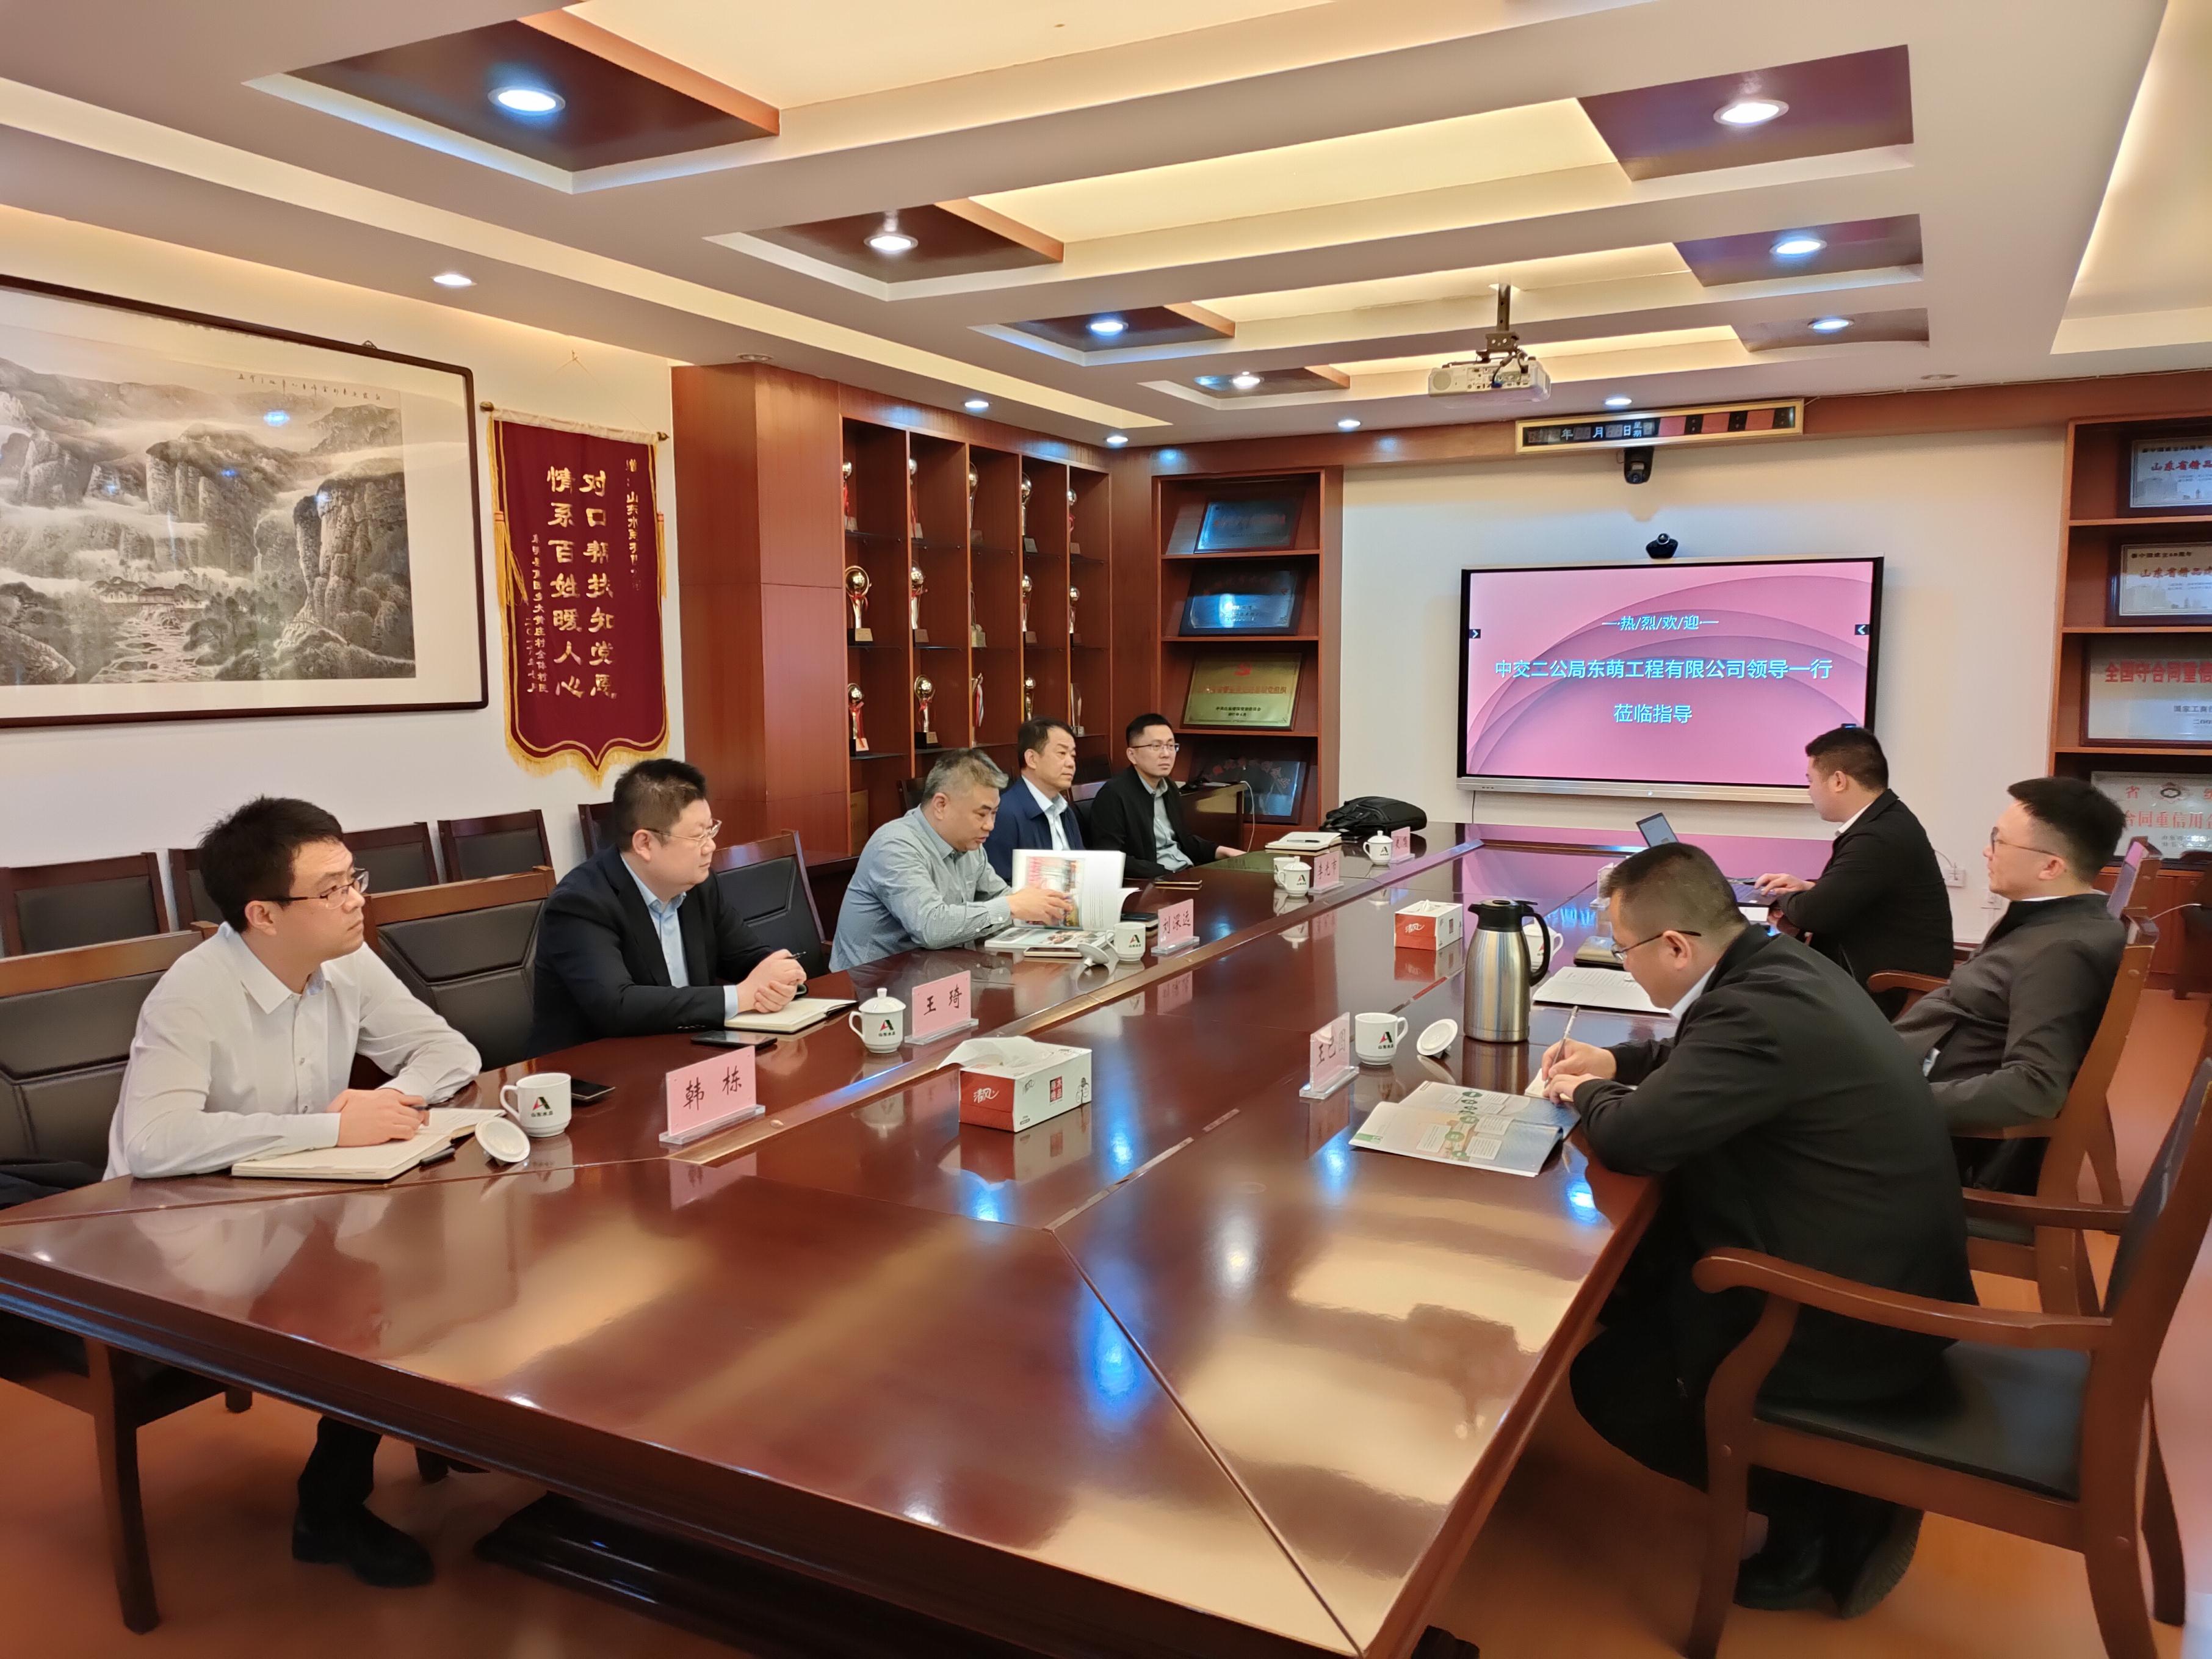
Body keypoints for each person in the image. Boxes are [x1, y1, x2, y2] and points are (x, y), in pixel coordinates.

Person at [1536, 841, 1973, 1620]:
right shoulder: (1777, 965)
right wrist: (1617, 1060)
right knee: (1641, 1277)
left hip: (1853, 1315)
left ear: (1676, 946)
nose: (1625, 965)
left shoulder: (1752, 1011)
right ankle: (1821, 1486)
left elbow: (1635, 1140)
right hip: (1885, 1259)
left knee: (1609, 1385)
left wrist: (1588, 1093)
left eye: (1625, 950)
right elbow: (1698, 1056)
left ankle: (1830, 1502)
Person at [107, 797, 484, 1589]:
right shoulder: (193, 993)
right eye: (333, 888)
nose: (356, 901)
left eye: (355, 879)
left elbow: (449, 1052)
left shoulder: (344, 959)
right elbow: (154, 1142)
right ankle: (328, 1510)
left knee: (436, 1255)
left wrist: (394, 1099)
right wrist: (328, 1128)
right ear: (264, 914)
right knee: (364, 1304)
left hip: (292, 1207)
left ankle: (447, 1420)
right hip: (175, 1237)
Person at [1894, 778, 2127, 1184]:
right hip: (1901, 1074)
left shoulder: (2063, 952)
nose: (1988, 851)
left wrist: (1890, 1101)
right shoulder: (2048, 920)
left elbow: (2035, 1087)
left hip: (1914, 1127)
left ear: (2051, 866)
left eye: (1999, 841)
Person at [531, 759, 808, 1052]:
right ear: (645, 844)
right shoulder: (581, 904)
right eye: (697, 836)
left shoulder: (699, 885)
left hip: (687, 1053)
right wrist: (739, 997)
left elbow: (746, 956)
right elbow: (618, 1006)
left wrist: (779, 977)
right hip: (595, 1068)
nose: (710, 846)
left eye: (710, 830)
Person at [1754, 727, 1953, 1012]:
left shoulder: (1878, 836)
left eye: (1811, 781)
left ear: (1838, 781)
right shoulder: (1888, 819)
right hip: (1873, 969)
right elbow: (1860, 891)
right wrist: (1809, 889)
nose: (1809, 791)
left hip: (1885, 988)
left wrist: (1781, 896)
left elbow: (1812, 914)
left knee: (1757, 990)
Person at [830, 749, 1074, 971]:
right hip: (872, 987)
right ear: (941, 805)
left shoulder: (970, 844)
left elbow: (999, 897)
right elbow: (931, 927)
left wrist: (1042, 907)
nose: (990, 825)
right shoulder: (895, 845)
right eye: (982, 814)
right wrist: (1012, 906)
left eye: (994, 813)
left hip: (938, 974)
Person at [1084, 714, 1242, 881]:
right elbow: (1110, 858)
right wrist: (1166, 874)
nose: (1166, 754)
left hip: (1184, 874)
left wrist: (1222, 851)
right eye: (1156, 746)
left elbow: (1184, 840)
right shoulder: (1114, 795)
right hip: (1156, 883)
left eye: (1171, 746)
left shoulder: (1169, 787)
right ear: (1132, 755)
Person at [983, 715, 1085, 882]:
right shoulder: (1004, 814)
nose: (1071, 763)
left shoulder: (1065, 810)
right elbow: (997, 886)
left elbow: (1081, 869)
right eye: (1062, 753)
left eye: (1073, 755)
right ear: (1032, 759)